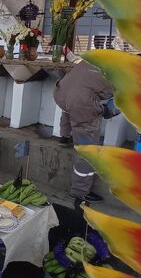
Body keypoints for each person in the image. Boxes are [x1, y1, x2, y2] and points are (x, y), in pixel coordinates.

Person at [53, 60, 119, 203]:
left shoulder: (98, 59)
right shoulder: (127, 76)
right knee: (87, 150)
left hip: (60, 91)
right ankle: (79, 191)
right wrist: (104, 110)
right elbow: (113, 107)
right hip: (81, 101)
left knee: (69, 107)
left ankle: (64, 136)